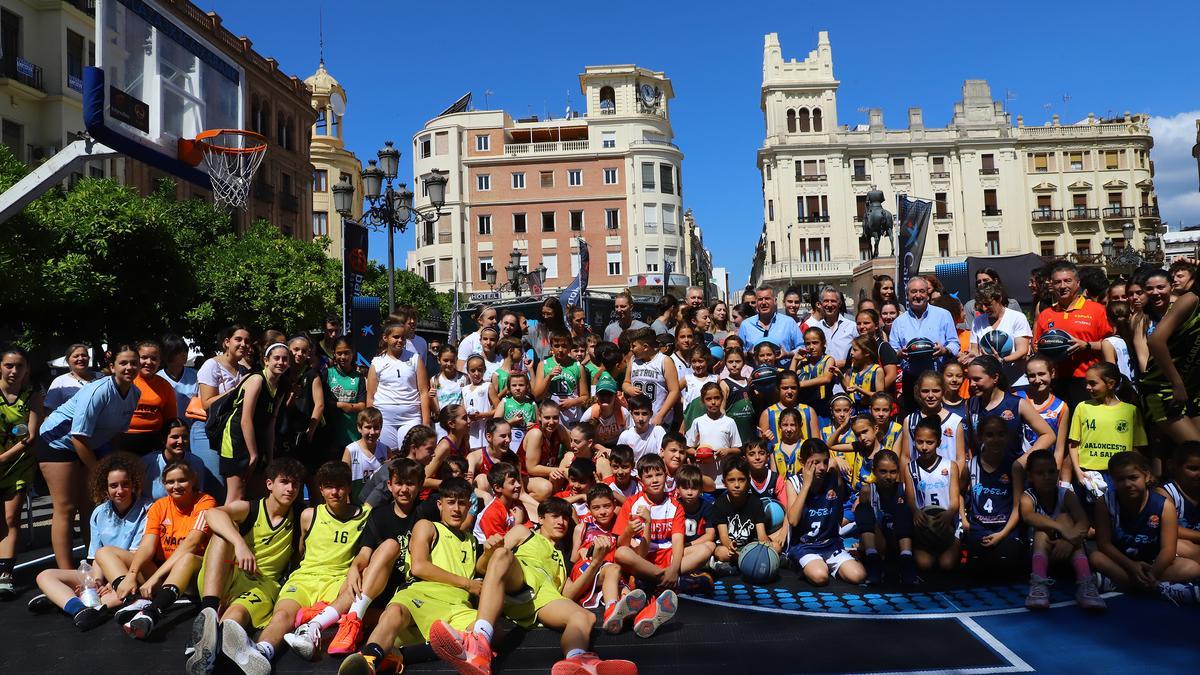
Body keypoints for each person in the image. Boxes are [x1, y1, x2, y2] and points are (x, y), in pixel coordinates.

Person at [428, 499, 638, 675]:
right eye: (555, 516)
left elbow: (568, 594)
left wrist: (594, 563)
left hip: (542, 602)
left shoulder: (562, 560)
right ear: (541, 519)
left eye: (565, 517)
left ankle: (577, 661)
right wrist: (489, 552)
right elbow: (484, 568)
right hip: (517, 580)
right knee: (502, 554)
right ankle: (479, 643)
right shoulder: (523, 532)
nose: (562, 522)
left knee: (584, 617)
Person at [221, 461, 370, 669]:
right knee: (282, 615)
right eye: (329, 486)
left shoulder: (365, 515)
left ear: (349, 487)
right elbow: (300, 551)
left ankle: (313, 622)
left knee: (353, 591)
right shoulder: (309, 515)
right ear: (320, 489)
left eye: (340, 486)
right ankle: (262, 651)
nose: (335, 492)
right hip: (305, 578)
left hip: (337, 580)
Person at [336, 477, 493, 675]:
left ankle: (402, 655)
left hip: (456, 606)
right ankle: (369, 660)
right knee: (395, 612)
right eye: (451, 502)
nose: (456, 509)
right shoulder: (428, 526)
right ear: (439, 504)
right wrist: (467, 584)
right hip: (422, 594)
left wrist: (490, 553)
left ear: (469, 506)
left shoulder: (471, 541)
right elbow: (419, 567)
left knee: (492, 633)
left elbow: (483, 570)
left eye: (462, 503)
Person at [185, 458, 306, 674]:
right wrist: (240, 544)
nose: (290, 488)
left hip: (263, 584)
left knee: (234, 620)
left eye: (295, 484)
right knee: (224, 533)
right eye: (284, 482)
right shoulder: (251, 508)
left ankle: (212, 647)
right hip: (226, 576)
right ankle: (209, 612)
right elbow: (211, 514)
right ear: (269, 484)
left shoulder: (301, 515)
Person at [38, 344, 141, 570]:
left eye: (134, 362)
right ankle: (66, 572)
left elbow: (115, 434)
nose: (130, 367)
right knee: (66, 506)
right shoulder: (99, 390)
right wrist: (100, 470)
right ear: (112, 366)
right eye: (123, 363)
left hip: (89, 443)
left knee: (90, 505)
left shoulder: (135, 393)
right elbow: (77, 437)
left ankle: (94, 561)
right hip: (57, 442)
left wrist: (113, 464)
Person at [28, 452, 151, 629]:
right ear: (105, 488)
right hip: (105, 573)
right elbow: (95, 556)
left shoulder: (148, 509)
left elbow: (137, 555)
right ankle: (80, 609)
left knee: (118, 594)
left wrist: (110, 583)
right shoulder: (99, 512)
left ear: (133, 484)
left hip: (133, 572)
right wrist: (96, 582)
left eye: (125, 484)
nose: (120, 490)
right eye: (113, 485)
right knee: (45, 575)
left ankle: (67, 600)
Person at [104, 461, 215, 638]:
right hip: (163, 573)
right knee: (105, 552)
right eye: (170, 482)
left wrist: (154, 578)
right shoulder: (159, 506)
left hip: (193, 575)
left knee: (187, 558)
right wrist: (132, 574)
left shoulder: (205, 502)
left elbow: (191, 544)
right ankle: (133, 600)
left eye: (182, 480)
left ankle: (152, 611)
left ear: (193, 480)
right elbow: (147, 546)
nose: (176, 486)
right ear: (164, 484)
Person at [1090, 452, 1200, 603]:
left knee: (1193, 567)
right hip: (1122, 561)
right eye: (1120, 479)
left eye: (1133, 478)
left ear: (1146, 476)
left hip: (1153, 563)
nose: (1128, 484)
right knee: (1096, 557)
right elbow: (1104, 544)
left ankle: (1119, 583)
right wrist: (1132, 566)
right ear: (1112, 481)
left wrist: (1152, 574)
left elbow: (1168, 550)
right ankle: (1160, 589)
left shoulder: (1164, 506)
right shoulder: (1104, 502)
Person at [1019, 449, 1105, 610]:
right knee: (1042, 529)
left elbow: (1083, 522)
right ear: (1030, 476)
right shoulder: (1027, 496)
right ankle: (1039, 583)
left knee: (1065, 518)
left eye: (1051, 472)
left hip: (1068, 553)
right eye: (1040, 473)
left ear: (1057, 473)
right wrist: (1062, 529)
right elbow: (1028, 517)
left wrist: (1068, 541)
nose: (1047, 477)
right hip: (1040, 556)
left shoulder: (1066, 494)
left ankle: (1086, 584)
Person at [611, 453, 681, 637]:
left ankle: (652, 592)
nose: (655, 480)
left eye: (658, 474)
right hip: (641, 560)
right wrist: (629, 530)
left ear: (666, 476)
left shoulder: (675, 505)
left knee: (704, 550)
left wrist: (674, 568)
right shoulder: (633, 504)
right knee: (622, 554)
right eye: (649, 476)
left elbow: (678, 541)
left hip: (666, 557)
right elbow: (624, 546)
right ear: (641, 481)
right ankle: (662, 581)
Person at [785, 439, 867, 585]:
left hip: (830, 544)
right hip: (804, 545)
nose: (822, 467)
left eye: (825, 461)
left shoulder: (833, 479)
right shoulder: (794, 483)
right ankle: (801, 563)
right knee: (820, 577)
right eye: (815, 462)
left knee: (858, 575)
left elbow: (839, 514)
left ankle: (825, 564)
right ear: (802, 462)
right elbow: (793, 520)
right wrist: (807, 485)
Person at [217, 342, 290, 505]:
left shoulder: (282, 386)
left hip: (258, 438)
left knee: (259, 494)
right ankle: (223, 529)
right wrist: (253, 454)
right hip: (237, 438)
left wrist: (269, 458)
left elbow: (272, 422)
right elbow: (245, 419)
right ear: (266, 360)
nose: (280, 362)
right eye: (276, 358)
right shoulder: (257, 379)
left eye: (285, 359)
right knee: (237, 495)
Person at [1033, 261, 1113, 407]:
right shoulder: (1046, 314)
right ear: (1052, 285)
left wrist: (1087, 345)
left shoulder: (1097, 310)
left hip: (1088, 381)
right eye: (1057, 282)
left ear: (1077, 283)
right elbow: (1037, 346)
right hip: (1056, 381)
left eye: (1067, 281)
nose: (1063, 286)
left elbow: (1112, 345)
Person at [1068, 362, 1147, 502]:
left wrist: (1143, 471)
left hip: (1120, 474)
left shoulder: (1131, 411)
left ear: (1110, 384)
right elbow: (1074, 443)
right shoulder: (1082, 407)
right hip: (1089, 473)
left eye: (1093, 383)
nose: (1088, 387)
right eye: (1086, 383)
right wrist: (1078, 471)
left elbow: (1137, 447)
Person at [192, 325, 253, 501]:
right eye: (238, 339)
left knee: (231, 488)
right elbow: (207, 403)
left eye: (247, 341)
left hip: (230, 433)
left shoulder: (243, 370)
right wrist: (238, 388)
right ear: (227, 342)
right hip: (207, 431)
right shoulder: (211, 365)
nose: (243, 344)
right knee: (214, 487)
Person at [0, 347, 43, 595]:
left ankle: (6, 572)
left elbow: (31, 435)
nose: (14, 370)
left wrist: (4, 457)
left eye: (19, 366)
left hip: (17, 463)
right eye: (8, 365)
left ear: (27, 369)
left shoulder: (32, 396)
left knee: (10, 518)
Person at [961, 416, 1025, 576]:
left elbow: (1018, 506)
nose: (995, 439)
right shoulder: (971, 465)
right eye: (990, 435)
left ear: (1007, 436)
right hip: (979, 528)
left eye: (1000, 434)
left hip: (1006, 528)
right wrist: (964, 520)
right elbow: (958, 493)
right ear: (980, 437)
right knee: (977, 571)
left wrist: (1002, 534)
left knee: (1005, 566)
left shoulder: (1014, 466)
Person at [1142, 270, 1200, 443]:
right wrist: (1177, 384)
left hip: (1193, 388)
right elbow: (1155, 341)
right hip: (1162, 388)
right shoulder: (1191, 299)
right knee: (1195, 451)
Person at [964, 356, 1053, 463]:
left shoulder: (1017, 404)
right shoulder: (970, 404)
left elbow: (1048, 435)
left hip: (1013, 474)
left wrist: (1023, 462)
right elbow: (971, 441)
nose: (972, 384)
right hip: (982, 475)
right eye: (970, 379)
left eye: (977, 379)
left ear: (995, 377)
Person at [889, 276, 960, 411]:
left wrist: (945, 350)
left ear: (928, 294)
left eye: (922, 291)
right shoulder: (899, 322)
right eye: (913, 291)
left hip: (938, 376)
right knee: (914, 421)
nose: (918, 295)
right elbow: (892, 350)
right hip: (911, 380)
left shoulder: (943, 315)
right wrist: (899, 353)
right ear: (907, 294)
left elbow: (955, 343)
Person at [903, 416, 960, 573]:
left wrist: (949, 513)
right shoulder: (910, 468)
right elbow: (910, 498)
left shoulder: (950, 466)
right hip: (924, 526)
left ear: (939, 443)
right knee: (925, 565)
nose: (924, 447)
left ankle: (955, 543)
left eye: (930, 442)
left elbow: (955, 500)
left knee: (946, 566)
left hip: (946, 523)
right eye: (919, 441)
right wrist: (915, 511)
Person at [368, 322, 431, 453]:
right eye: (396, 337)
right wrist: (370, 422)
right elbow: (370, 396)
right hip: (384, 418)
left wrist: (426, 422)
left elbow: (424, 392)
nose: (400, 340)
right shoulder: (377, 362)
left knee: (411, 455)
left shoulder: (415, 359)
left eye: (403, 337)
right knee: (387, 457)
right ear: (385, 338)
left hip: (411, 417)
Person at [856, 450, 917, 585]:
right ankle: (872, 560)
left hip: (898, 541)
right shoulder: (867, 490)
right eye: (883, 471)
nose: (888, 476)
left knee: (904, 509)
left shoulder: (905, 489)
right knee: (862, 508)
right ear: (874, 471)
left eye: (893, 472)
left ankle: (906, 561)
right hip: (878, 543)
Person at [711, 455, 776, 574]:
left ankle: (739, 564)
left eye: (741, 480)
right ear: (724, 482)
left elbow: (761, 535)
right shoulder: (720, 504)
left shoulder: (755, 502)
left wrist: (766, 546)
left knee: (776, 547)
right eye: (731, 480)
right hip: (730, 549)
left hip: (751, 547)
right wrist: (730, 546)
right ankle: (747, 562)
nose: (736, 485)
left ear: (748, 480)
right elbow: (724, 537)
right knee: (720, 552)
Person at [117, 340, 178, 456]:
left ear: (160, 362)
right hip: (123, 439)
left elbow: (170, 419)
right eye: (144, 357)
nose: (149, 362)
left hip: (154, 440)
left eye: (154, 358)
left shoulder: (165, 386)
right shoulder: (125, 381)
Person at [968, 283, 1032, 387]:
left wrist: (1001, 360)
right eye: (981, 305)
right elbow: (974, 349)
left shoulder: (1017, 317)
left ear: (999, 299)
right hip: (990, 385)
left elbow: (1022, 351)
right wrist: (971, 357)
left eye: (988, 304)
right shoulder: (977, 321)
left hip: (1016, 383)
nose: (984, 309)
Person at [899, 371, 965, 467]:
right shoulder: (910, 420)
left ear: (943, 391)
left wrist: (954, 480)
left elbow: (960, 458)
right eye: (925, 391)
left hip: (949, 479)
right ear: (918, 392)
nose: (930, 395)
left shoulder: (955, 421)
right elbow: (906, 456)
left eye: (936, 391)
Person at [279, 335, 326, 467]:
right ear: (288, 350)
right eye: (296, 349)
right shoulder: (282, 374)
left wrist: (310, 431)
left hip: (307, 430)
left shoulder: (312, 374)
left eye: (304, 351)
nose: (300, 354)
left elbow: (319, 404)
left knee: (310, 474)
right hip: (287, 431)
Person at [686, 383, 743, 490]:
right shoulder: (698, 422)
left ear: (722, 398)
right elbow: (689, 448)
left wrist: (728, 451)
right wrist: (699, 453)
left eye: (716, 398)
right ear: (702, 401)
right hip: (704, 480)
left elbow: (738, 449)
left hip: (724, 482)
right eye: (708, 399)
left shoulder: (729, 422)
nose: (713, 402)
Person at [624, 327, 681, 429]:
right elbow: (626, 382)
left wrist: (661, 415)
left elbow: (674, 391)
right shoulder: (633, 360)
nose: (631, 349)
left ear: (645, 347)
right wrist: (629, 389)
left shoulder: (664, 361)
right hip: (636, 421)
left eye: (634, 346)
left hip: (658, 421)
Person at [1018, 356, 1070, 465]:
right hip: (1019, 465)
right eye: (1032, 376)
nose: (1037, 380)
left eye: (1041, 374)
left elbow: (1059, 450)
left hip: (1044, 471)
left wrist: (1054, 475)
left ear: (1052, 373)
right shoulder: (1017, 399)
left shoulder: (1061, 407)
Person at [535, 330, 587, 428]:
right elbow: (537, 395)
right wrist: (549, 376)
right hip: (551, 419)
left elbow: (585, 397)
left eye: (564, 346)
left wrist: (572, 402)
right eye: (556, 346)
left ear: (570, 346)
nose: (560, 350)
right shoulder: (544, 365)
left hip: (572, 418)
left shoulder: (577, 366)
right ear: (551, 346)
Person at [141, 419, 204, 500]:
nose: (180, 441)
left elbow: (198, 494)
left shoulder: (196, 462)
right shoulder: (148, 462)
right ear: (163, 439)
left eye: (184, 437)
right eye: (175, 437)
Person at [324, 336, 367, 450]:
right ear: (334, 354)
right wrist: (342, 405)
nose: (343, 357)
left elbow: (362, 405)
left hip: (353, 435)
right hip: (331, 435)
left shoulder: (359, 378)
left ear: (353, 353)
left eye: (346, 353)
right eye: (339, 353)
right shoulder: (327, 374)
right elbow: (324, 402)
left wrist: (340, 405)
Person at [738, 285, 803, 362]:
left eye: (767, 299)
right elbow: (738, 352)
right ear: (756, 302)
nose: (763, 302)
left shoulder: (789, 322)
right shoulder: (746, 325)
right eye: (760, 299)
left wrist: (788, 354)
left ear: (775, 301)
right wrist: (748, 354)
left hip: (783, 372)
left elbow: (802, 347)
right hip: (755, 372)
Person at [1160, 442, 1200, 563]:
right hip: (1173, 546)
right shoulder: (1166, 492)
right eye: (1193, 469)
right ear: (1173, 466)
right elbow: (1165, 528)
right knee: (1180, 545)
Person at [793, 327, 836, 422]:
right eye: (807, 344)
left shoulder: (828, 360)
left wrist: (801, 384)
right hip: (804, 406)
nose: (811, 347)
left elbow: (826, 378)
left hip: (823, 409)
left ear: (823, 343)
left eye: (815, 342)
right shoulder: (802, 362)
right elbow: (790, 379)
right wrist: (794, 360)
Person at [808, 286, 857, 368]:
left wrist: (845, 363)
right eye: (826, 301)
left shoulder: (852, 327)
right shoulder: (816, 328)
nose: (829, 305)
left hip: (845, 377)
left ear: (840, 303)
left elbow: (861, 354)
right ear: (821, 304)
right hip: (821, 377)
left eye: (833, 301)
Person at [157, 334, 198, 431]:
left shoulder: (197, 376)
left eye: (185, 351)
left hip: (192, 430)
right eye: (179, 352)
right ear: (168, 354)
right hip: (168, 432)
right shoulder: (158, 378)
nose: (184, 355)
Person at [46, 344, 102, 413]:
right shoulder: (60, 382)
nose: (80, 359)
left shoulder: (101, 378)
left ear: (89, 358)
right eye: (76, 356)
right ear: (68, 360)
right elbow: (49, 410)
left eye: (84, 355)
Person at [856, 309, 899, 394]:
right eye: (858, 324)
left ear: (876, 325)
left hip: (880, 402)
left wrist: (875, 394)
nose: (861, 327)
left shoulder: (883, 347)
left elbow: (892, 375)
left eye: (866, 323)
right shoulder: (854, 348)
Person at [617, 395, 666, 464]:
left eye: (644, 414)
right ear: (631, 414)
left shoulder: (658, 431)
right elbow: (620, 460)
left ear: (651, 414)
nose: (640, 418)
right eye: (636, 414)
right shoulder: (625, 436)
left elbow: (663, 456)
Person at [843, 335, 883, 415]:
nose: (851, 353)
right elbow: (847, 389)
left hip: (869, 411)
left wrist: (859, 389)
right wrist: (840, 375)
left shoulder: (877, 370)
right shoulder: (852, 370)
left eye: (855, 350)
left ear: (867, 353)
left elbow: (879, 395)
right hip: (853, 410)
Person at [461, 355, 493, 455]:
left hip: (484, 430)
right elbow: (463, 408)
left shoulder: (488, 386)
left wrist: (481, 415)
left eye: (480, 370)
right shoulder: (464, 389)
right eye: (473, 370)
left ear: (484, 370)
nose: (476, 374)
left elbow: (498, 408)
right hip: (470, 432)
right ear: (468, 371)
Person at [456, 306, 499, 370]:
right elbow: (460, 368)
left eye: (496, 318)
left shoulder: (498, 339)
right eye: (491, 318)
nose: (495, 321)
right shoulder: (469, 341)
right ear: (480, 321)